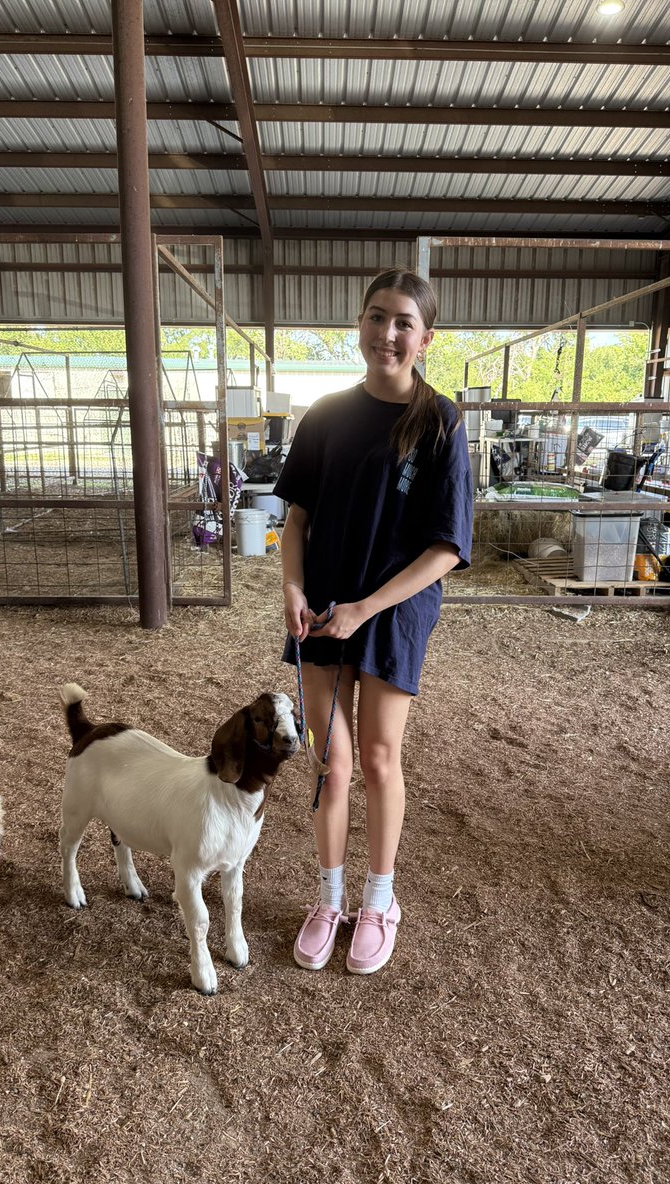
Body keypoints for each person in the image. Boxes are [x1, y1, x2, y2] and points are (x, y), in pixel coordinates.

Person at [274, 268, 474, 976]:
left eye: (402, 323)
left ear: (425, 338)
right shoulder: (326, 414)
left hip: (392, 613)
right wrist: (292, 588)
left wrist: (366, 607)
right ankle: (329, 898)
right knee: (330, 760)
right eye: (376, 317)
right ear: (359, 324)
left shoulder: (441, 421)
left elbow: (447, 548)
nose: (386, 333)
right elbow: (297, 519)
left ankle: (380, 901)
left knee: (380, 758)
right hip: (323, 609)